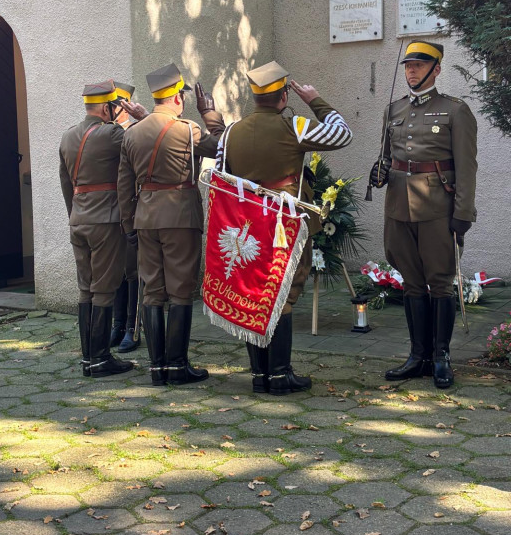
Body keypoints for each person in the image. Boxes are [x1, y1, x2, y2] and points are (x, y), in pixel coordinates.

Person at [219, 61, 353, 395]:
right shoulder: (295, 125)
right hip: (285, 222)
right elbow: (342, 133)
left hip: (247, 223)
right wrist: (315, 100)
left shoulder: (230, 131)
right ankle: (280, 375)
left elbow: (222, 176)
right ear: (283, 96)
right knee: (284, 292)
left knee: (253, 292)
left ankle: (259, 375)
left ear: (255, 97)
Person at [369, 41, 477, 388]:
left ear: (436, 69)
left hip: (437, 207)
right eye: (408, 65)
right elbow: (387, 156)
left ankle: (441, 357)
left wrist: (463, 212)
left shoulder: (455, 110)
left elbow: (466, 167)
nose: (411, 70)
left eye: (419, 65)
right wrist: (380, 171)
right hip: (398, 206)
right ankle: (418, 356)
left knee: (440, 282)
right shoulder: (393, 109)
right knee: (412, 282)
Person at [117, 63, 225, 386]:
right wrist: (210, 114)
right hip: (180, 217)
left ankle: (156, 368)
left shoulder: (132, 133)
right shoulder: (188, 130)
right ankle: (177, 367)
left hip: (145, 219)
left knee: (152, 292)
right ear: (177, 97)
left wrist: (129, 225)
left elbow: (124, 186)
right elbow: (223, 147)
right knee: (180, 291)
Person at [59, 80, 134, 378]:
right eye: (115, 107)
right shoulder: (113, 133)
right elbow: (139, 144)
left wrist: (75, 213)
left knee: (85, 288)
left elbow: (65, 182)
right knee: (103, 288)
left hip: (78, 218)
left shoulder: (67, 136)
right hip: (105, 219)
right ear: (106, 108)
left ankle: (88, 358)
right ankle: (101, 359)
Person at [108, 82, 148, 354]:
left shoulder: (135, 132)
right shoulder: (104, 133)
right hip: (112, 210)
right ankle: (118, 323)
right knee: (118, 270)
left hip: (132, 209)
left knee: (134, 271)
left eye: (113, 105)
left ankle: (133, 328)